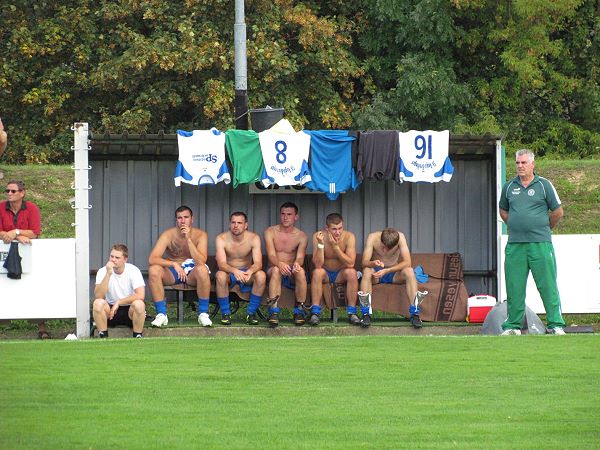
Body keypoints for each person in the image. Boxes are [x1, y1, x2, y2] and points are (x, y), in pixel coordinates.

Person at [499, 149, 566, 335]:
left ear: (532, 164)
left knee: (547, 285)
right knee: (514, 286)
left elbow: (558, 212)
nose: (520, 166)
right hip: (515, 244)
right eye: (517, 163)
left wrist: (543, 227)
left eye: (524, 163)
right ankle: (513, 326)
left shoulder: (544, 185)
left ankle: (556, 324)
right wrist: (517, 225)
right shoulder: (509, 186)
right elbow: (503, 210)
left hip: (540, 244)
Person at [148, 206, 212, 328]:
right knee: (154, 269)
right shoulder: (168, 235)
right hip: (174, 271)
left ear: (192, 219)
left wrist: (188, 239)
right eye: (179, 218)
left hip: (192, 271)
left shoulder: (201, 235)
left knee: (202, 270)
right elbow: (152, 259)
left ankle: (203, 314)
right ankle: (161, 314)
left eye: (186, 217)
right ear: (176, 220)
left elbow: (201, 261)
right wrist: (174, 264)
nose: (183, 221)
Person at [0, 180, 48, 338]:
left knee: (34, 288)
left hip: (28, 254)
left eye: (13, 191)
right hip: (4, 252)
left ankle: (42, 328)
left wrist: (16, 232)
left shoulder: (32, 208)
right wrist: (16, 236)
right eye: (7, 191)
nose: (9, 193)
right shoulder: (1, 207)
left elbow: (35, 232)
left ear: (22, 193)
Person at [359, 228, 428, 328]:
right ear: (381, 240)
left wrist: (388, 270)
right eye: (383, 247)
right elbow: (364, 262)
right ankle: (366, 314)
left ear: (395, 245)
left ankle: (415, 314)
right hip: (376, 273)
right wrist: (373, 263)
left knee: (409, 271)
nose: (384, 250)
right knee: (366, 271)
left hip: (393, 272)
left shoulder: (401, 238)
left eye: (388, 249)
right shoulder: (372, 237)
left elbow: (407, 262)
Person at [215, 212, 266, 325]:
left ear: (245, 225)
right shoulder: (221, 238)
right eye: (233, 222)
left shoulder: (253, 238)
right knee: (220, 275)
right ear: (229, 224)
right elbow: (221, 264)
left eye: (239, 223)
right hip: (229, 273)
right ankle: (225, 313)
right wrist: (235, 271)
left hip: (247, 273)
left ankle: (251, 313)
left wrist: (250, 271)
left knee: (261, 275)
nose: (236, 225)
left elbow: (258, 263)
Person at [264, 202, 308, 327]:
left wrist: (297, 264)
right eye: (283, 214)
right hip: (274, 268)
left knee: (301, 272)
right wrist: (279, 264)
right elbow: (271, 255)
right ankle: (273, 312)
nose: (285, 217)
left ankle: (299, 311)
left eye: (289, 214)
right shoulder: (270, 231)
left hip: (291, 270)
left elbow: (300, 257)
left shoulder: (301, 236)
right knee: (276, 270)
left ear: (296, 217)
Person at [309, 213, 358, 326]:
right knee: (317, 272)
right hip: (325, 272)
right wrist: (321, 245)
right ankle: (315, 313)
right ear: (327, 228)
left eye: (340, 228)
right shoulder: (318, 236)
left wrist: (336, 248)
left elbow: (351, 263)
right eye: (334, 229)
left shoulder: (349, 237)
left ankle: (352, 313)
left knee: (352, 272)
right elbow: (318, 264)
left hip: (341, 273)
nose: (338, 232)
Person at [92, 244, 146, 338]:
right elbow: (98, 296)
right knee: (97, 303)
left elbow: (140, 295)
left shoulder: (133, 270)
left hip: (130, 311)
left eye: (117, 257)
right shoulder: (102, 271)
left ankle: (137, 336)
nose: (113, 260)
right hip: (110, 311)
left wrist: (119, 302)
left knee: (139, 304)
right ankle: (103, 337)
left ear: (125, 259)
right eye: (111, 256)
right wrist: (108, 274)